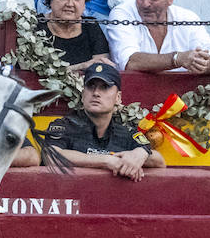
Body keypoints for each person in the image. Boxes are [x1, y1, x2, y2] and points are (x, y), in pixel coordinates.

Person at [12, 61, 164, 180]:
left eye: (104, 87)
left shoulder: (126, 131)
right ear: (83, 94)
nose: (96, 93)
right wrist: (106, 161)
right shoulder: (65, 125)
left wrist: (139, 154)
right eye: (91, 87)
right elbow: (51, 156)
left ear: (118, 98)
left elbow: (159, 161)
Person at [38, 0, 112, 71]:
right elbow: (39, 72)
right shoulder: (37, 26)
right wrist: (81, 67)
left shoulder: (91, 26)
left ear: (85, 3)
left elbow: (101, 68)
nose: (70, 4)